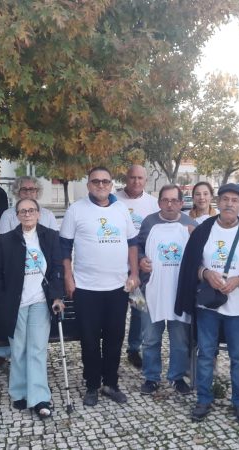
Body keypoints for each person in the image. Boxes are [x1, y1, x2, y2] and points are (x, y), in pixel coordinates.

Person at [174, 183, 239, 425]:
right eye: (225, 199)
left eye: (235, 200)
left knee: (238, 356)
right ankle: (203, 399)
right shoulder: (203, 231)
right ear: (218, 202)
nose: (229, 204)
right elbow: (190, 266)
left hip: (238, 309)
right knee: (206, 354)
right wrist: (206, 274)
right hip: (208, 307)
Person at [59, 166, 140, 406]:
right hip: (86, 288)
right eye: (96, 181)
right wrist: (68, 276)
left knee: (115, 338)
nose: (101, 185)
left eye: (105, 181)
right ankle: (92, 385)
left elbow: (132, 243)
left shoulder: (121, 209)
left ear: (111, 184)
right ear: (88, 185)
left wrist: (135, 273)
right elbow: (64, 247)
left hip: (118, 287)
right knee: (90, 339)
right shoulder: (76, 210)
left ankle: (110, 383)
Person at [0, 198, 65, 418]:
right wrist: (3, 298)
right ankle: (19, 392)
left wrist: (57, 296)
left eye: (31, 210)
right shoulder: (6, 240)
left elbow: (57, 268)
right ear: (17, 215)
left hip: (40, 301)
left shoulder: (50, 237)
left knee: (37, 349)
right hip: (16, 303)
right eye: (22, 211)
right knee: (19, 349)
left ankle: (40, 397)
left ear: (38, 213)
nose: (27, 214)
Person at [136, 185, 197, 396]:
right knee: (150, 337)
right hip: (151, 289)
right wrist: (141, 260)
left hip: (179, 293)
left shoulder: (190, 224)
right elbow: (137, 247)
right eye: (165, 200)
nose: (169, 204)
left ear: (181, 203)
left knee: (180, 339)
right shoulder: (149, 222)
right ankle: (151, 377)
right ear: (159, 202)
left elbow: (201, 254)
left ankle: (177, 377)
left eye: (174, 200)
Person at [0, 175, 59, 366]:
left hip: (39, 289)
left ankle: (36, 383)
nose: (29, 192)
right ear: (17, 192)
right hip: (16, 285)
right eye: (24, 189)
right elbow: (4, 249)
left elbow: (53, 249)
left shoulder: (47, 215)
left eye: (32, 189)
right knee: (19, 345)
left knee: (36, 345)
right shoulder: (8, 215)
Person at [115, 164, 159, 369]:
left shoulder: (153, 204)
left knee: (138, 309)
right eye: (132, 177)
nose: (136, 181)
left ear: (146, 180)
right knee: (116, 311)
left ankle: (134, 348)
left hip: (138, 268)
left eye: (140, 178)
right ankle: (112, 348)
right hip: (116, 267)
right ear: (126, 178)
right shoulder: (114, 200)